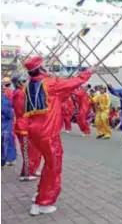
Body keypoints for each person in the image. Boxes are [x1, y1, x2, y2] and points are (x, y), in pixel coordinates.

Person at [23, 56, 95, 215]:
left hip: (34, 131)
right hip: (48, 132)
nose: (47, 68)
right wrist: (88, 72)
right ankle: (43, 202)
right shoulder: (50, 83)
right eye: (45, 66)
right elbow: (72, 83)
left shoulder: (29, 85)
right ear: (40, 69)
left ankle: (41, 194)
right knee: (53, 166)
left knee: (49, 165)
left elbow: (58, 97)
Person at [12, 73, 41, 181]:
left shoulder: (22, 92)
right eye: (23, 81)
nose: (25, 83)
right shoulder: (19, 93)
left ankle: (30, 170)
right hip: (23, 125)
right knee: (27, 151)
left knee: (33, 150)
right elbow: (23, 110)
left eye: (25, 81)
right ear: (18, 83)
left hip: (26, 124)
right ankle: (26, 174)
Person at [1, 86, 16, 167]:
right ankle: (7, 159)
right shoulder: (3, 99)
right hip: (5, 124)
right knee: (7, 141)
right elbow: (8, 113)